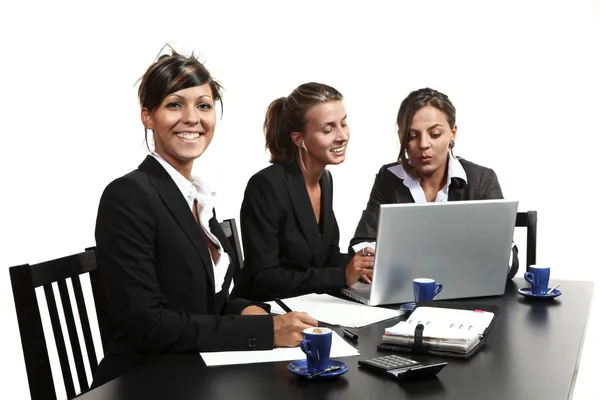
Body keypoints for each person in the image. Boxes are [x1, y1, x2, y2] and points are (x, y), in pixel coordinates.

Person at [92, 50, 317, 387]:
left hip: (197, 370)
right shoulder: (129, 195)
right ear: (147, 117)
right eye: (174, 104)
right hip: (146, 380)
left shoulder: (195, 197)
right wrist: (265, 331)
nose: (191, 118)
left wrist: (248, 310)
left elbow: (206, 299)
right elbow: (147, 325)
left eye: (203, 105)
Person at [350, 88, 519, 280]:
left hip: (465, 291)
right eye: (412, 136)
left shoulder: (481, 179)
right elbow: (363, 240)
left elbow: (508, 258)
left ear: (452, 133)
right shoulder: (388, 178)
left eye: (435, 134)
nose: (423, 144)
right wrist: (368, 259)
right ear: (401, 137)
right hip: (403, 287)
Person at [231, 83, 374, 302]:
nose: (342, 136)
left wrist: (360, 263)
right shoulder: (266, 186)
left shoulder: (324, 180)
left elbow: (325, 255)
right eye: (328, 129)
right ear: (299, 139)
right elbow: (263, 278)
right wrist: (341, 275)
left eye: (343, 123)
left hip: (307, 303)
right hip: (266, 310)